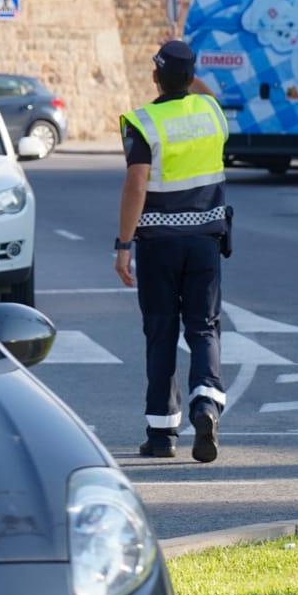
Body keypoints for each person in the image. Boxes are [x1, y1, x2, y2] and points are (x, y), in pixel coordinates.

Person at [115, 39, 231, 462]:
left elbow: (136, 184)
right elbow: (205, 93)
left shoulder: (142, 122)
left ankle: (162, 434)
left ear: (155, 77)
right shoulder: (210, 112)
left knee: (161, 332)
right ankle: (205, 403)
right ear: (191, 75)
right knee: (204, 328)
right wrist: (186, 67)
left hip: (158, 246)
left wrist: (123, 245)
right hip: (205, 243)